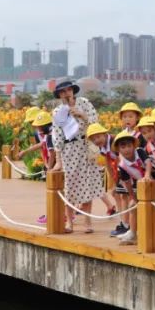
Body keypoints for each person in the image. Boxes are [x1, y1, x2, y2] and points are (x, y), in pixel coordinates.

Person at [50, 80, 106, 234]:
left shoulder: (85, 103)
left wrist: (82, 116)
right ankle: (70, 222)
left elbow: (95, 124)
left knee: (88, 183)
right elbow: (57, 136)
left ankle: (87, 220)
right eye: (63, 92)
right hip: (69, 150)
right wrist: (58, 161)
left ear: (73, 91)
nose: (66, 94)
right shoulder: (58, 112)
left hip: (86, 146)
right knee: (70, 185)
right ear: (59, 95)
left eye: (68, 90)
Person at [110, 102, 146, 238]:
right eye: (124, 117)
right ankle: (126, 225)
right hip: (124, 173)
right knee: (124, 197)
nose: (127, 120)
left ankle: (136, 228)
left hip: (138, 175)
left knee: (136, 201)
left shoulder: (140, 136)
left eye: (130, 116)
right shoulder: (122, 134)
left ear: (137, 118)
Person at [112, 130, 149, 245]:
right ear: (118, 149)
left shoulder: (140, 152)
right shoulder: (122, 165)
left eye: (129, 146)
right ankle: (133, 232)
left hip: (153, 180)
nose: (127, 149)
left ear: (134, 146)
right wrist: (133, 197)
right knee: (132, 206)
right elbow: (127, 183)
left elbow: (148, 163)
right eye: (123, 147)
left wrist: (147, 175)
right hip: (140, 185)